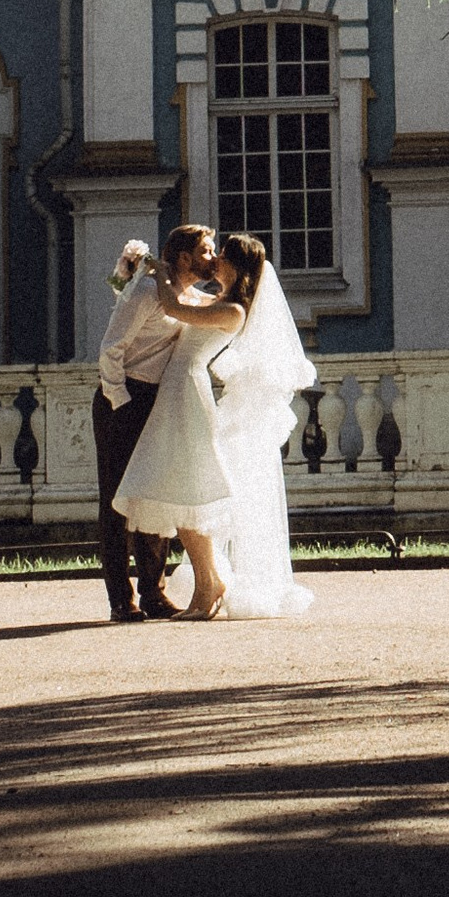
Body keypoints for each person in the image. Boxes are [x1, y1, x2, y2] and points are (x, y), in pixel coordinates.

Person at [116, 228, 316, 620]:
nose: (216, 259)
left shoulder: (233, 310)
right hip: (177, 389)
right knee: (181, 494)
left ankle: (208, 588)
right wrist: (129, 274)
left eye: (222, 253)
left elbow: (174, 308)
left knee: (187, 496)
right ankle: (208, 584)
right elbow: (159, 302)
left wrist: (158, 271)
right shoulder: (219, 301)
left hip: (187, 392)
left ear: (236, 265)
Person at [94, 223, 217, 619]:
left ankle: (153, 593)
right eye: (207, 251)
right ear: (184, 257)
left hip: (160, 401)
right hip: (124, 397)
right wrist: (120, 401)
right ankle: (120, 599)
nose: (212, 257)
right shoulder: (147, 292)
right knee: (117, 501)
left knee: (156, 493)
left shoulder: (189, 297)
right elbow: (111, 348)